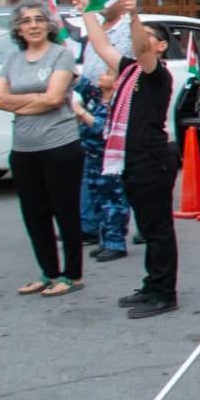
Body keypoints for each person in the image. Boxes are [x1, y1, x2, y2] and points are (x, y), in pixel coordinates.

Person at [77, 0, 182, 319]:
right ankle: (152, 284)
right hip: (133, 160)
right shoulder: (129, 71)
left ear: (161, 46)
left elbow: (140, 48)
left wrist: (135, 16)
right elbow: (101, 45)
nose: (141, 39)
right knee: (149, 229)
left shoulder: (156, 73)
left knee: (158, 230)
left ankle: (164, 293)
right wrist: (87, 11)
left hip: (152, 159)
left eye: (150, 35)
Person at [0, 0, 84, 297]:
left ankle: (72, 275)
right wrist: (38, 99)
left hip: (60, 146)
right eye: (26, 21)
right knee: (34, 215)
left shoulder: (61, 55)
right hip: (23, 150)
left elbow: (55, 98)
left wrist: (21, 103)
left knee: (65, 211)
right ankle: (49, 273)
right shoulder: (13, 59)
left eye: (38, 19)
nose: (33, 25)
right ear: (18, 29)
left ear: (48, 25)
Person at [75, 0, 134, 245]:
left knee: (114, 184)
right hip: (93, 96)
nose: (102, 3)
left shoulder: (128, 30)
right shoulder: (97, 28)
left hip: (114, 101)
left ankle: (115, 237)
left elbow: (112, 56)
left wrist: (84, 113)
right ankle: (90, 227)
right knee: (93, 179)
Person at [74, 66, 129, 262]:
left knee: (113, 202)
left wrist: (81, 112)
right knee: (98, 201)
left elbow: (101, 127)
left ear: (116, 83)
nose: (100, 76)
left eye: (106, 74)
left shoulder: (117, 105)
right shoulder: (97, 96)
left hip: (109, 161)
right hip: (93, 159)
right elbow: (80, 83)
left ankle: (116, 243)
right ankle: (105, 240)